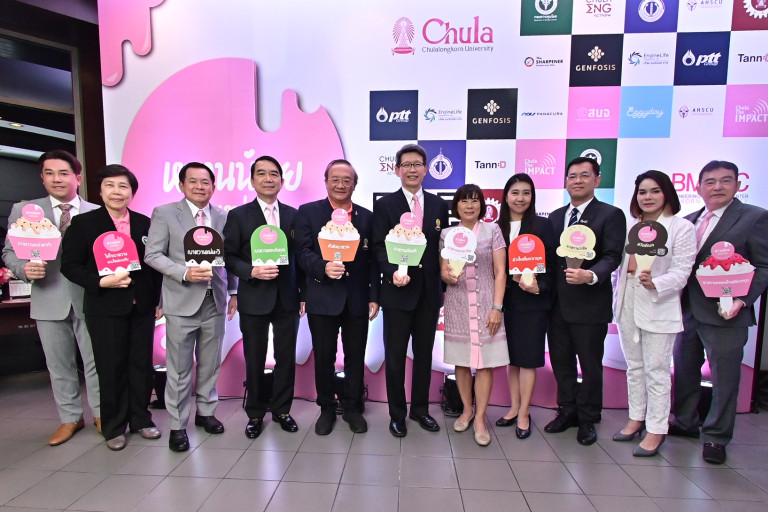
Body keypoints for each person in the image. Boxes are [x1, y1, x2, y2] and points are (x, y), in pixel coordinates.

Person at [671, 160, 768, 464]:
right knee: (684, 370)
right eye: (710, 182)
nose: (717, 187)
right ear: (698, 187)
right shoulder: (687, 221)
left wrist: (743, 300)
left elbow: (763, 266)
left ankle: (716, 436)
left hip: (727, 312)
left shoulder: (754, 218)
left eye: (725, 181)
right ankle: (684, 422)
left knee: (725, 378)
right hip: (685, 310)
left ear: (738, 185)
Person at [2, 150, 101, 446]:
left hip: (92, 299)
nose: (57, 179)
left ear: (77, 178)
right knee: (59, 364)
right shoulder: (26, 211)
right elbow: (9, 252)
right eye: (49, 173)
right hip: (48, 296)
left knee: (97, 362)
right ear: (42, 178)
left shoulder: (97, 211)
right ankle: (70, 418)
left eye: (63, 173)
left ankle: (102, 413)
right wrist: (23, 269)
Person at [61, 165, 162, 451]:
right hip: (104, 307)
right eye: (110, 185)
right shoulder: (84, 223)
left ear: (132, 192)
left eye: (123, 186)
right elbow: (70, 266)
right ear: (100, 190)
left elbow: (154, 266)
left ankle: (141, 419)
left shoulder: (145, 223)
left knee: (141, 365)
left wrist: (157, 301)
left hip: (142, 307)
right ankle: (114, 426)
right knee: (110, 366)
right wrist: (99, 282)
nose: (117, 192)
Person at [144, 162, 238, 451]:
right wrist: (183, 272)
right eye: (193, 181)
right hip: (181, 301)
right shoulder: (165, 213)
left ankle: (206, 413)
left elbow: (230, 257)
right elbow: (152, 254)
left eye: (205, 182)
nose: (200, 186)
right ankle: (177, 425)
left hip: (214, 301)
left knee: (210, 364)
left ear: (213, 186)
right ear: (181, 185)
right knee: (179, 369)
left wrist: (233, 291)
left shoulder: (223, 216)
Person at [613, 171, 696, 456]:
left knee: (657, 370)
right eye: (642, 192)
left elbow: (682, 272)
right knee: (634, 367)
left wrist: (656, 283)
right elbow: (620, 268)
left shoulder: (681, 228)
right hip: (627, 299)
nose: (647, 197)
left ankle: (657, 429)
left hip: (658, 301)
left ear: (667, 194)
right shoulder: (632, 226)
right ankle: (636, 418)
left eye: (654, 191)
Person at [544, 157, 626, 445]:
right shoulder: (555, 217)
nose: (577, 180)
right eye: (572, 176)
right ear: (565, 181)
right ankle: (567, 409)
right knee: (561, 361)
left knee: (590, 365)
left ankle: (589, 417)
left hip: (590, 305)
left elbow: (613, 256)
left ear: (597, 180)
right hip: (556, 305)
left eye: (584, 175)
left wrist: (591, 275)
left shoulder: (610, 214)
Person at [223, 156, 305, 439]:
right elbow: (228, 256)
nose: (268, 179)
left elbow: (301, 257)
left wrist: (304, 294)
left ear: (282, 181)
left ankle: (282, 410)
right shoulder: (238, 215)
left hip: (287, 298)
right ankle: (255, 413)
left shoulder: (294, 215)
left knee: (286, 358)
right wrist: (251, 271)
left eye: (274, 174)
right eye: (262, 173)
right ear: (252, 180)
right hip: (254, 297)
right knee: (255, 358)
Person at [296, 159, 380, 435]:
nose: (341, 185)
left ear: (355, 184)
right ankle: (326, 408)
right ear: (326, 182)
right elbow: (302, 252)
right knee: (324, 357)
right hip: (322, 296)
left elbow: (373, 260)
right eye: (335, 179)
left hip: (357, 298)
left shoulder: (367, 217)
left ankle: (353, 407)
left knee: (355, 356)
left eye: (347, 180)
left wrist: (374, 295)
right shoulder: (308, 212)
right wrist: (323, 267)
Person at [372, 143, 449, 438]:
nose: (412, 169)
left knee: (424, 355)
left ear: (426, 169)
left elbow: (442, 248)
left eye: (417, 164)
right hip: (397, 292)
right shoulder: (385, 205)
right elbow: (378, 246)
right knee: (394, 356)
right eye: (407, 165)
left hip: (429, 293)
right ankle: (397, 414)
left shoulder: (439, 205)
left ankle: (420, 409)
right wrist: (392, 272)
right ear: (397, 170)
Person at [440, 184, 508, 446]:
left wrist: (497, 307)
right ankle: (467, 410)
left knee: (485, 363)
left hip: (486, 304)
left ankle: (480, 418)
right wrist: (448, 275)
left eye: (475, 201)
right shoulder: (447, 234)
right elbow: (444, 270)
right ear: (455, 205)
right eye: (464, 201)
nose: (470, 206)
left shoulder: (493, 231)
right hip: (458, 304)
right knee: (461, 361)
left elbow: (500, 272)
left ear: (482, 205)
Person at [495, 174, 556, 440]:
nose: (521, 198)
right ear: (506, 196)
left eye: (526, 193)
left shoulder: (543, 225)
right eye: (515, 192)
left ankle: (524, 413)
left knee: (528, 359)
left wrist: (539, 286)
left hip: (532, 303)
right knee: (512, 359)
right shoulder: (496, 227)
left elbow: (553, 266)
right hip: (503, 302)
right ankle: (513, 407)